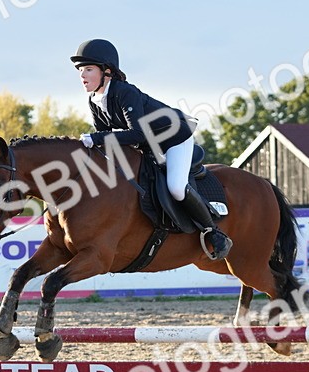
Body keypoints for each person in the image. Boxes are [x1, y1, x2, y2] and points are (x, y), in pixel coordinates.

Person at [72, 38, 231, 259]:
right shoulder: (94, 100)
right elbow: (108, 138)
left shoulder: (124, 92)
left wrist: (96, 138)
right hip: (149, 146)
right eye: (80, 70)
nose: (82, 75)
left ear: (106, 71)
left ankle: (213, 232)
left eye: (88, 69)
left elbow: (136, 133)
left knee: (176, 186)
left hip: (174, 139)